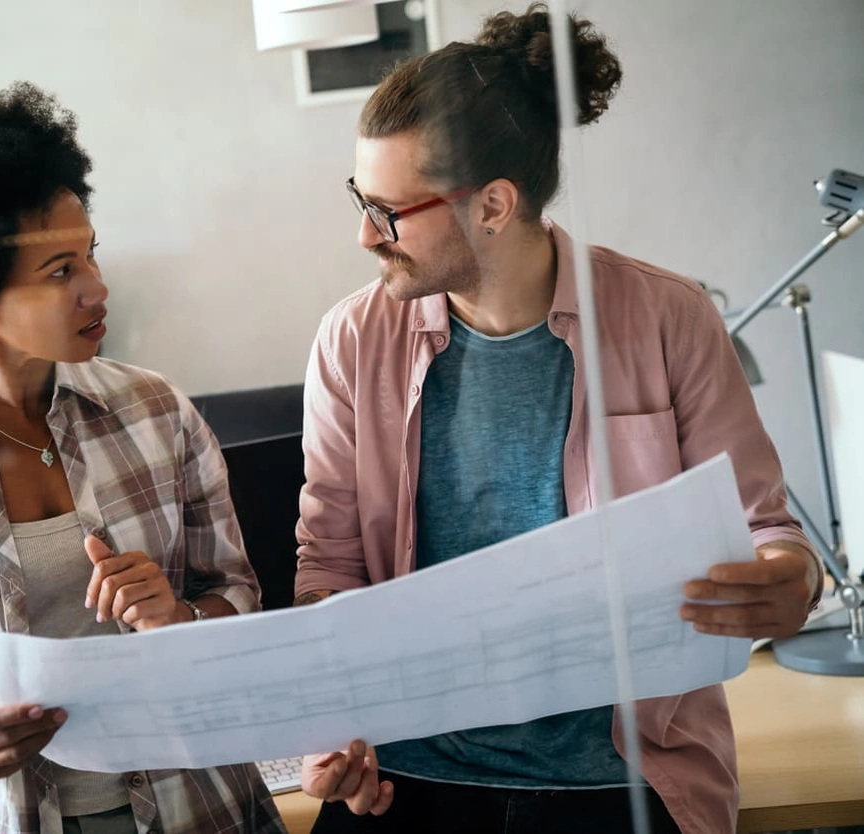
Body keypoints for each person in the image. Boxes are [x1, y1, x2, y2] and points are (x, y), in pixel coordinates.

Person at [291, 5, 822, 833]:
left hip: (621, 781)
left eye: (390, 210)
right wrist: (334, 722)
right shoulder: (353, 340)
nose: (366, 234)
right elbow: (329, 565)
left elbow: (768, 532)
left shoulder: (667, 317)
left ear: (494, 205)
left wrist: (794, 579)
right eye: (362, 197)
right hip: (406, 776)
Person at [0, 82, 285, 834]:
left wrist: (177, 616)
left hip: (200, 807)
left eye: (90, 255)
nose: (97, 287)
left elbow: (239, 597)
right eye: (59, 272)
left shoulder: (156, 410)